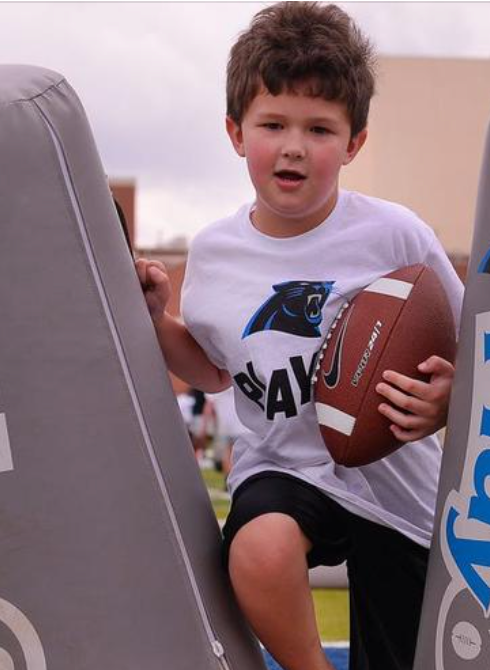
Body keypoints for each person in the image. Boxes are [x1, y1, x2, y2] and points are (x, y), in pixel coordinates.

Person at [135, 5, 462, 668]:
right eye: (273, 123)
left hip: (396, 482)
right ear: (235, 132)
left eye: (319, 128)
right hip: (289, 467)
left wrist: (449, 400)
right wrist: (159, 322)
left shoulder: (395, 234)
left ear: (354, 143)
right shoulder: (216, 252)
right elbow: (216, 369)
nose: (293, 145)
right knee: (257, 547)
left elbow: (469, 346)